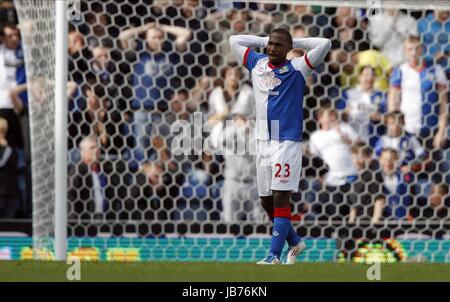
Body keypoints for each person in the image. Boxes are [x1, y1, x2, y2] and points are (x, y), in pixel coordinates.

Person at [229, 28, 331, 264]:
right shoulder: (257, 62)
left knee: (280, 198)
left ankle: (273, 255)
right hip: (262, 141)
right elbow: (234, 39)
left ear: (288, 50)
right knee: (266, 200)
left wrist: (295, 41)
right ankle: (295, 242)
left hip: (286, 142)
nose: (272, 48)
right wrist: (265, 39)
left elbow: (324, 43)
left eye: (278, 45)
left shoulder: (298, 67)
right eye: (270, 44)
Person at [308, 107, 359, 221]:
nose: (333, 117)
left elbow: (359, 147)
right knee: (336, 213)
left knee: (354, 209)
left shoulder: (345, 128)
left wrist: (342, 134)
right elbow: (315, 162)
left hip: (351, 176)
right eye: (329, 115)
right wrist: (322, 180)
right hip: (331, 179)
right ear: (320, 118)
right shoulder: (315, 136)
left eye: (334, 114)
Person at [340, 65, 386, 146]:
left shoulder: (381, 95)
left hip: (375, 141)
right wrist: (346, 113)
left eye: (372, 75)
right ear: (359, 77)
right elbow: (338, 117)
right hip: (353, 141)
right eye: (366, 74)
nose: (370, 77)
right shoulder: (348, 94)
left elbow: (390, 118)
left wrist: (379, 117)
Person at [0, 117, 20, 218]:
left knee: (8, 224)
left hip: (11, 193)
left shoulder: (10, 150)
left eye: (3, 132)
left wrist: (4, 148)